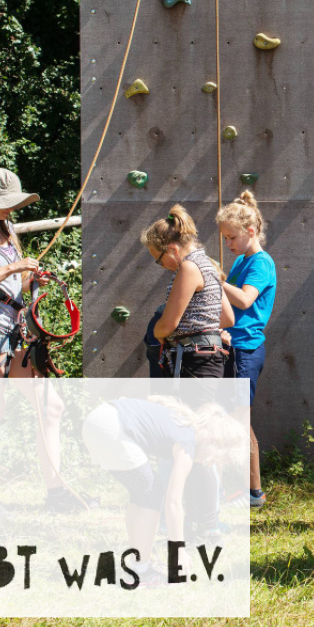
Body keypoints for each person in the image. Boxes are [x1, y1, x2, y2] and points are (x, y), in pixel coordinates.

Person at [0, 167, 79, 519]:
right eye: (5, 203)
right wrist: (12, 270)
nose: (11, 208)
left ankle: (55, 493)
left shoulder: (6, 230)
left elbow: (16, 286)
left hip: (12, 331)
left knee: (51, 407)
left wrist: (30, 278)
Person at [81, 397, 245, 584]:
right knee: (152, 492)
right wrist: (179, 551)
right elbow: (173, 502)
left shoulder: (185, 424)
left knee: (142, 492)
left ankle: (138, 561)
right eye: (216, 458)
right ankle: (141, 571)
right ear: (214, 440)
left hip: (97, 421)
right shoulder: (188, 443)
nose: (211, 462)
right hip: (110, 427)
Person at [215, 190, 276, 508]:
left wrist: (215, 276)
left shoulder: (261, 264)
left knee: (238, 420)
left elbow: (244, 299)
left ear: (250, 231)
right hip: (232, 345)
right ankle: (248, 489)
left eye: (232, 237)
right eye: (225, 239)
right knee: (236, 419)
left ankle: (249, 491)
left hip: (245, 349)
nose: (228, 245)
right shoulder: (241, 260)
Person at [140, 205, 235, 379]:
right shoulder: (209, 265)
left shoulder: (189, 267)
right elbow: (227, 318)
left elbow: (169, 324)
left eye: (160, 261)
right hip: (208, 359)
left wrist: (157, 332)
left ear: (172, 249)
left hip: (195, 361)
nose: (163, 267)